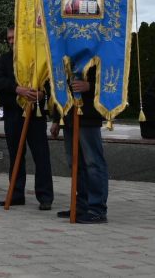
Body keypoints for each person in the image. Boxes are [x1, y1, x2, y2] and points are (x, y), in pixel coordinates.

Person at [0, 26, 54, 209]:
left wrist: (43, 94)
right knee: (15, 154)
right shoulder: (5, 59)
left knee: (41, 156)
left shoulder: (37, 57)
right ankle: (16, 193)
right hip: (13, 113)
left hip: (35, 114)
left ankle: (45, 197)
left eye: (14, 37)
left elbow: (49, 81)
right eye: (8, 38)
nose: (11, 41)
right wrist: (17, 89)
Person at [50, 68, 109, 224]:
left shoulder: (96, 53)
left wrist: (89, 86)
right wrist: (56, 119)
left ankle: (97, 208)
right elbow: (60, 87)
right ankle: (82, 205)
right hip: (68, 116)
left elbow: (112, 82)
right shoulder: (65, 55)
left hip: (88, 116)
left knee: (93, 163)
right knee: (75, 163)